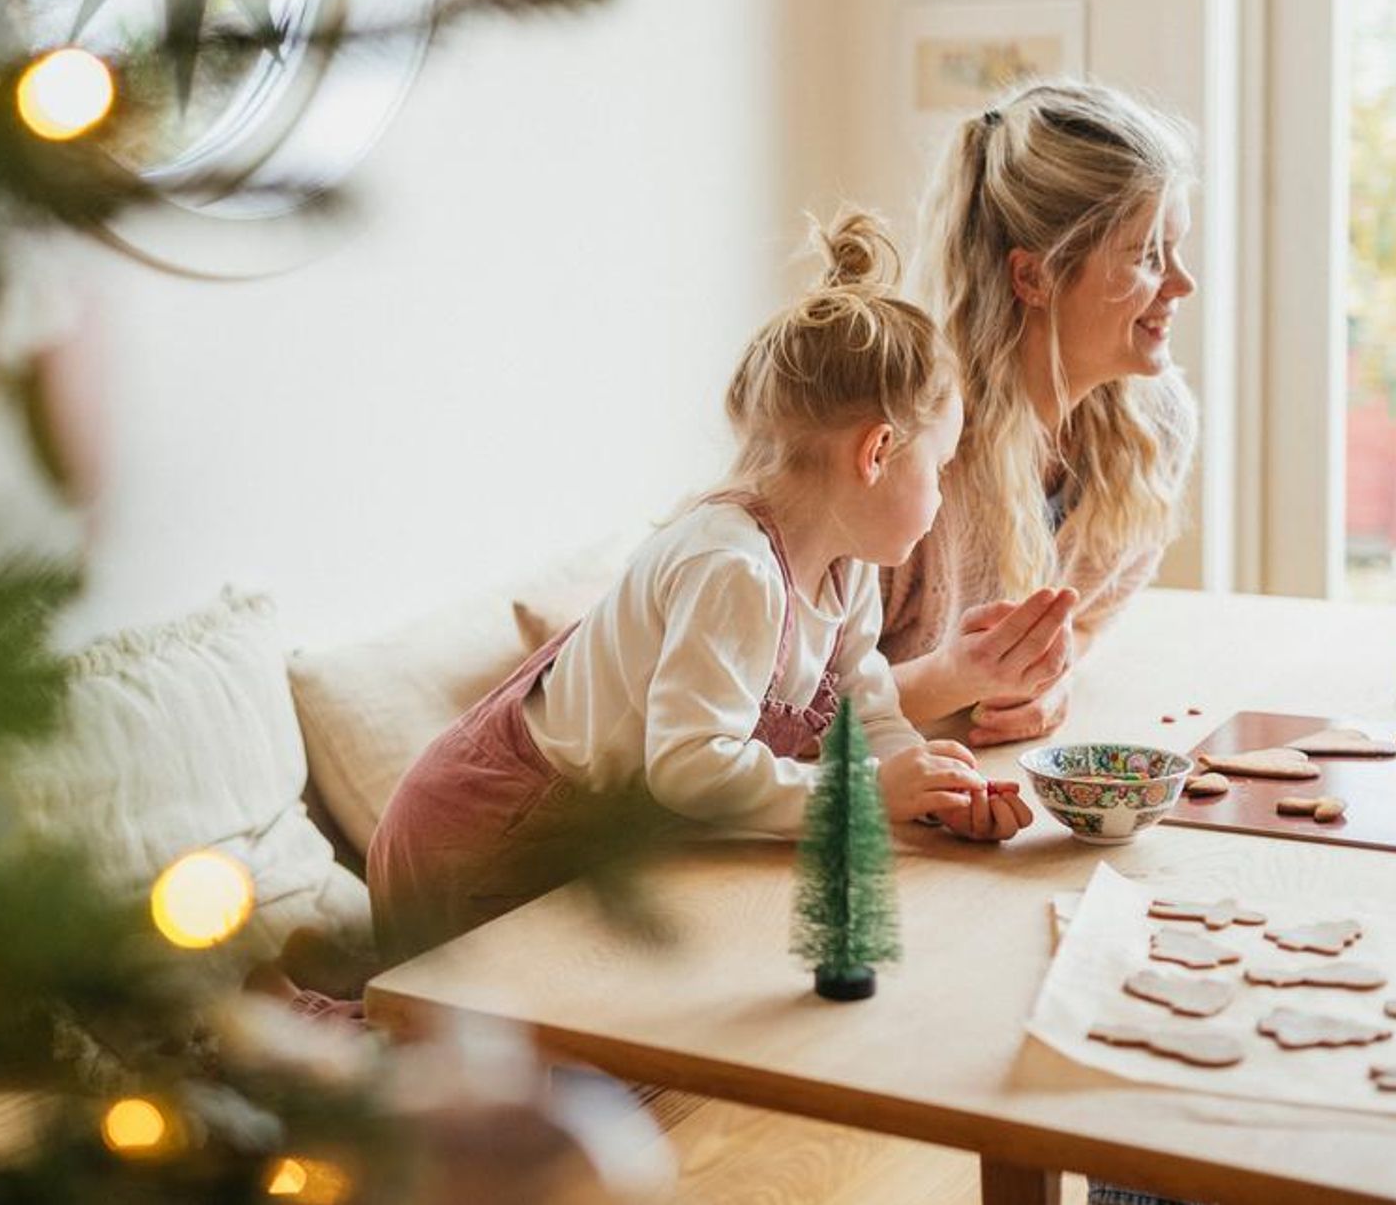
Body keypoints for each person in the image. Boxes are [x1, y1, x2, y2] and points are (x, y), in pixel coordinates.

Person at [368, 213, 1030, 963]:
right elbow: (691, 766)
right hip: (485, 838)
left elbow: (868, 712)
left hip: (595, 841)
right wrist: (871, 793)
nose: (942, 495)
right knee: (478, 1061)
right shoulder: (732, 567)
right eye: (938, 468)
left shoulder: (849, 569)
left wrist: (936, 791)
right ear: (878, 451)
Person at [884, 80, 1200, 747]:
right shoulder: (903, 447)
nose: (1181, 284)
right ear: (1034, 277)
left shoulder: (1158, 425)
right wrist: (953, 677)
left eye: (1176, 249)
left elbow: (1083, 623)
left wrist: (1053, 678)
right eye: (1147, 256)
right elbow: (777, 707)